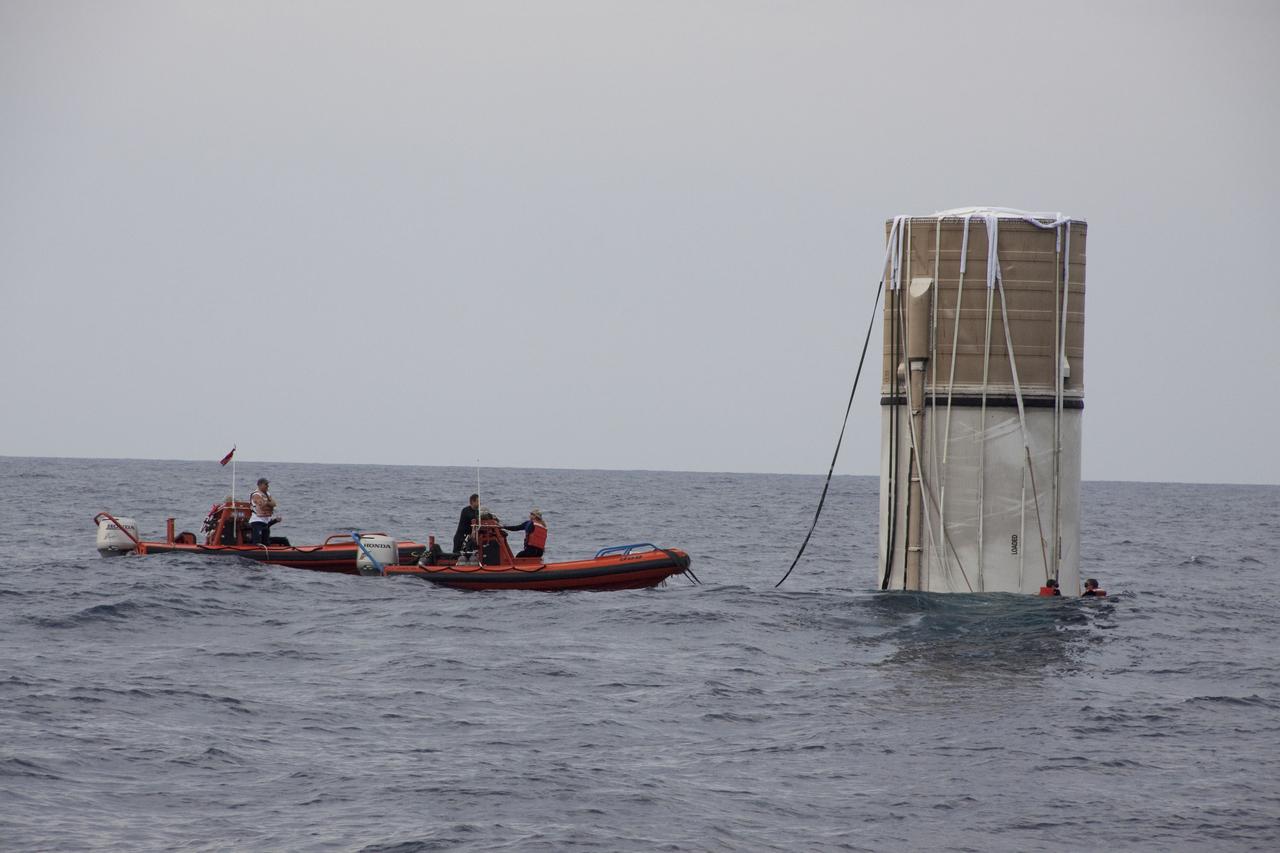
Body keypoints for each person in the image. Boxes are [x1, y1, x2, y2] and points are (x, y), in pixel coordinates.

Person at [248, 478, 279, 545]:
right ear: (260, 485)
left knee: (266, 541)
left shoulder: (267, 494)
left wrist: (267, 503)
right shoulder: (255, 494)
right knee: (257, 541)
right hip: (257, 520)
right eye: (266, 484)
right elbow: (262, 506)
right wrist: (269, 503)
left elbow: (274, 504)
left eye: (267, 484)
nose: (268, 486)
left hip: (266, 521)